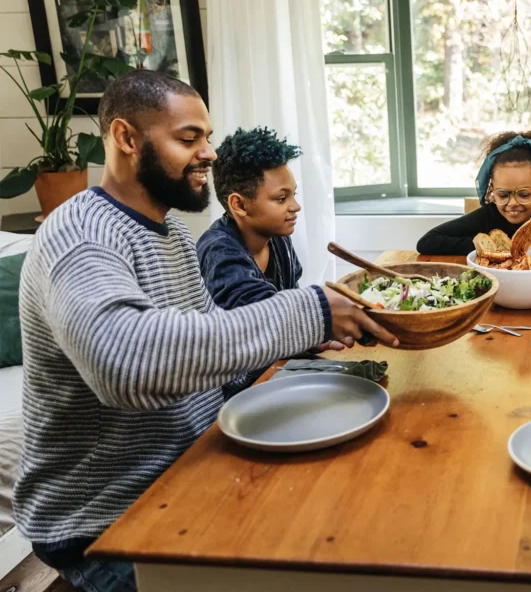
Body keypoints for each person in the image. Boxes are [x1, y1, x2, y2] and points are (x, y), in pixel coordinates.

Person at [14, 70, 397, 592]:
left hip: (190, 471)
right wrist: (312, 312)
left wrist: (322, 346)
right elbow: (127, 364)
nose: (209, 153)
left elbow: (212, 343)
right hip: (104, 519)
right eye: (189, 138)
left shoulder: (169, 230)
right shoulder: (80, 235)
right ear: (126, 139)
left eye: (207, 138)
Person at [196, 126, 341, 395]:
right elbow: (261, 311)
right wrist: (324, 316)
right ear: (239, 205)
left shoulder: (277, 238)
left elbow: (290, 307)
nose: (295, 206)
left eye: (293, 195)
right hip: (237, 393)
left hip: (276, 370)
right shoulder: (218, 252)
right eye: (281, 198)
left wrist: (311, 339)